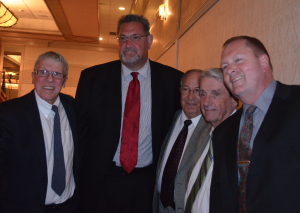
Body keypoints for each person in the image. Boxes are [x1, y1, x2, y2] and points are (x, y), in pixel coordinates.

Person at [76, 14, 183, 213]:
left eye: (135, 37)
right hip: (101, 182)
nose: (128, 44)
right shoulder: (92, 79)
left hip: (147, 185)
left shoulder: (173, 81)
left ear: (149, 41)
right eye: (123, 38)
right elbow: (80, 135)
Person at [210, 36, 300, 213]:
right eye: (225, 67)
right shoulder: (222, 132)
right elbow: (219, 196)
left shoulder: (297, 102)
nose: (229, 71)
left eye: (238, 60)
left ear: (264, 62)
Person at [0, 51, 78, 213]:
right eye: (43, 72)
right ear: (33, 76)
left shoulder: (74, 109)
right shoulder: (9, 113)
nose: (49, 79)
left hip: (68, 207)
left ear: (64, 81)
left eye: (57, 74)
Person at [153, 69, 211, 213]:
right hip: (159, 206)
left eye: (197, 91)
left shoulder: (211, 128)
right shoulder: (168, 119)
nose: (190, 97)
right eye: (186, 89)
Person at [183, 68, 237, 213]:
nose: (206, 102)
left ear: (234, 99)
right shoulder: (205, 133)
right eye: (203, 94)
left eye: (215, 94)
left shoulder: (241, 140)